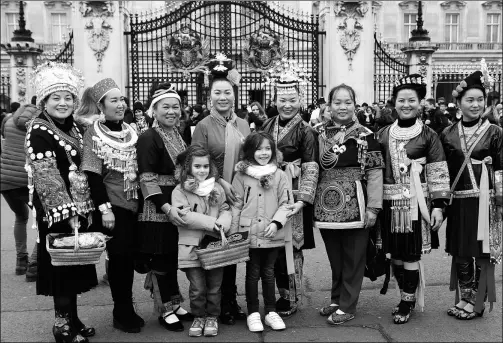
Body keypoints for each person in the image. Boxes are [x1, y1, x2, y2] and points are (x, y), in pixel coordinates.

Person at [25, 61, 96, 342]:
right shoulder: (39, 129)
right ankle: (62, 324)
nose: (63, 103)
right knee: (60, 267)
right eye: (56, 98)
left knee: (75, 264)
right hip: (56, 211)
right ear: (45, 100)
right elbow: (46, 176)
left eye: (68, 97)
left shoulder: (75, 128)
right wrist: (66, 212)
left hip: (79, 207)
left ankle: (74, 319)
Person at [378, 74, 451, 325]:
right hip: (389, 204)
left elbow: (439, 171)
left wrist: (439, 207)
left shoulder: (429, 135)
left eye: (412, 100)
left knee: (410, 254)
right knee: (394, 255)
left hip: (415, 206)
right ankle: (403, 294)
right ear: (393, 103)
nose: (406, 105)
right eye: (401, 100)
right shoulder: (383, 134)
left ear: (420, 103)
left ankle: (407, 301)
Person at [314, 84, 384, 325]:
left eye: (347, 102)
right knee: (335, 257)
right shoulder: (318, 134)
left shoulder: (366, 134)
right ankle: (337, 298)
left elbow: (375, 173)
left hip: (356, 202)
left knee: (354, 257)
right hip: (326, 204)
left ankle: (348, 304)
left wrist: (374, 207)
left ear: (355, 104)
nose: (342, 107)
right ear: (329, 105)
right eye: (337, 102)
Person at [191, 52, 250, 325]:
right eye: (217, 92)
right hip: (214, 193)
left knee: (237, 245)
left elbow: (249, 156)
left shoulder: (242, 124)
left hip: (241, 193)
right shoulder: (202, 125)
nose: (223, 97)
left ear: (234, 94)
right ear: (210, 96)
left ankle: (231, 298)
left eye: (227, 92)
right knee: (219, 245)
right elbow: (198, 160)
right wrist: (221, 181)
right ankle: (219, 303)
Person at [82, 78, 143, 333]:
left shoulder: (131, 130)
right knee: (119, 260)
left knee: (130, 259)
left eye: (122, 99)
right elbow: (93, 175)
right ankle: (122, 311)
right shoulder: (93, 133)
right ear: (101, 105)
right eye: (114, 100)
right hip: (113, 208)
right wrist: (104, 208)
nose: (121, 104)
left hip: (135, 204)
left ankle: (128, 308)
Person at [441, 70, 502, 320]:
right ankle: (465, 297)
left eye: (480, 99)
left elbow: (500, 168)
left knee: (482, 251)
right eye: (470, 100)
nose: (476, 104)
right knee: (461, 250)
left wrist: (500, 201)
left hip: (485, 201)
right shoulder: (447, 134)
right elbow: (441, 170)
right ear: (458, 103)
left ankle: (477, 302)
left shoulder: (495, 132)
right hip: (458, 200)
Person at [261, 59, 319, 317]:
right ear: (275, 99)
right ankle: (276, 292)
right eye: (282, 99)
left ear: (300, 99)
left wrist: (304, 198)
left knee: (292, 246)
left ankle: (291, 294)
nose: (287, 105)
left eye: (292, 100)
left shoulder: (306, 131)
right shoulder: (267, 125)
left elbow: (311, 167)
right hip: (270, 191)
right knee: (271, 243)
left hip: (294, 194)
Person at [135, 83, 192, 332]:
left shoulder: (178, 134)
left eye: (175, 106)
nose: (171, 111)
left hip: (177, 202)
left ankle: (175, 303)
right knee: (160, 258)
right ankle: (164, 308)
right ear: (154, 110)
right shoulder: (149, 137)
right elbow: (146, 178)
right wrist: (166, 207)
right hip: (158, 206)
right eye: (165, 107)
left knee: (171, 256)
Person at [231, 132, 292, 332]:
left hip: (271, 232)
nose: (263, 153)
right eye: (258, 149)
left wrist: (277, 222)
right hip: (249, 233)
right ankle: (253, 312)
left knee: (269, 272)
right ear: (250, 151)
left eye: (267, 148)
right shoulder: (241, 175)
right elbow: (236, 205)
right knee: (252, 273)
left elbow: (286, 203)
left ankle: (271, 311)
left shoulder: (280, 175)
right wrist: (234, 234)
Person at [172, 145, 232, 337]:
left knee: (214, 286)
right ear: (189, 167)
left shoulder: (216, 188)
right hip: (191, 246)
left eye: (205, 166)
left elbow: (225, 208)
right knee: (197, 288)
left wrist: (223, 222)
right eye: (197, 166)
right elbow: (184, 216)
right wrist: (214, 223)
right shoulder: (180, 190)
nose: (202, 170)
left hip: (214, 246)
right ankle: (199, 316)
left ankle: (212, 316)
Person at [1, 100, 41, 281]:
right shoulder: (38, 122)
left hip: (4, 178)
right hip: (25, 179)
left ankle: (20, 261)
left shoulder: (8, 119)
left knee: (21, 216)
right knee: (44, 217)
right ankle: (34, 264)